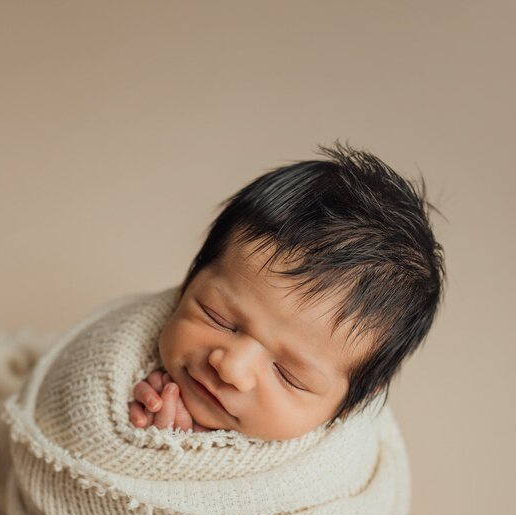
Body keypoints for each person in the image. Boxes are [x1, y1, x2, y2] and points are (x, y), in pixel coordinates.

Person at [129, 141, 446, 441]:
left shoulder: (334, 476)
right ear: (191, 278)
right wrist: (137, 426)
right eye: (218, 318)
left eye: (289, 375)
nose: (231, 368)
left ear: (350, 405)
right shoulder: (124, 364)